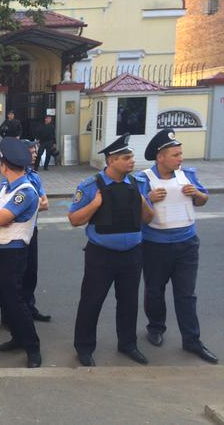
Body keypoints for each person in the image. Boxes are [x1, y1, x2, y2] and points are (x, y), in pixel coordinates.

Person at [68, 133, 153, 366]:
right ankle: (84, 347)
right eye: (126, 158)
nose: (132, 161)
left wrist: (141, 199)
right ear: (111, 161)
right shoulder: (90, 186)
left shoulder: (139, 184)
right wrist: (95, 204)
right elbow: (74, 219)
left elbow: (148, 218)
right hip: (101, 256)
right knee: (91, 301)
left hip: (132, 254)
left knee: (129, 302)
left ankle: (128, 344)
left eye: (131, 157)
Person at [136, 129, 218, 364]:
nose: (180, 158)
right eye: (175, 155)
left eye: (180, 154)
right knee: (154, 291)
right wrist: (149, 198)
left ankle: (192, 340)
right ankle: (156, 327)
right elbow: (134, 212)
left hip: (187, 244)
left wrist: (197, 194)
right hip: (155, 245)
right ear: (160, 157)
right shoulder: (143, 179)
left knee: (186, 295)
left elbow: (203, 200)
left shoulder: (188, 175)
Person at [0, 137, 42, 368]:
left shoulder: (25, 192)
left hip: (12, 254)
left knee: (15, 302)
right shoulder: (4, 187)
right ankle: (17, 337)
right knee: (5, 300)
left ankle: (32, 347)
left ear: (4, 165)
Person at [21, 140, 52, 322]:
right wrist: (34, 204)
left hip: (32, 229)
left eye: (35, 152)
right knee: (17, 274)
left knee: (31, 272)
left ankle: (29, 307)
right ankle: (12, 314)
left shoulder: (34, 176)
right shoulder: (13, 176)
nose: (35, 155)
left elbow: (45, 203)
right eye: (31, 152)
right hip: (17, 232)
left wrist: (29, 205)